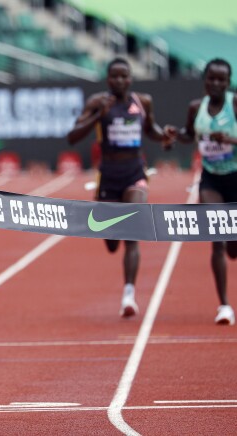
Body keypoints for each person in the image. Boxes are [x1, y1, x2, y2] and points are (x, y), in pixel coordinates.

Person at [67, 57, 175, 318]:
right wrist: (96, 116)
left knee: (132, 232)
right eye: (114, 76)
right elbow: (72, 136)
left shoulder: (142, 102)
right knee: (112, 241)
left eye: (124, 76)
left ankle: (129, 293)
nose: (119, 81)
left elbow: (150, 129)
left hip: (134, 172)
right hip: (108, 176)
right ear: (107, 79)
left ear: (130, 78)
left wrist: (164, 137)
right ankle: (112, 237)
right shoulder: (98, 103)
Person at [173, 58, 237, 325]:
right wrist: (174, 134)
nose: (216, 83)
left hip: (236, 178)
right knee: (218, 237)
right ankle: (224, 305)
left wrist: (231, 139)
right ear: (205, 80)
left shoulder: (235, 104)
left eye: (222, 79)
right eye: (212, 78)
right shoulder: (195, 108)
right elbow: (190, 135)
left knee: (234, 248)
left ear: (228, 82)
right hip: (210, 179)